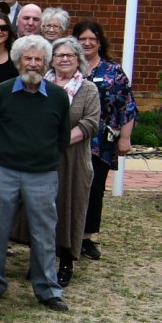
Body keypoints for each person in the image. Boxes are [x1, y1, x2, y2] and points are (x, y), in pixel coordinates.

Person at [0, 35, 71, 313]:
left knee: (44, 233)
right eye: (28, 58)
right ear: (18, 61)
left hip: (42, 174)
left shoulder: (58, 96)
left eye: (38, 59)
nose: (33, 64)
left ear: (46, 64)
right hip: (3, 171)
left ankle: (47, 289)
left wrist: (42, 158)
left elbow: (63, 137)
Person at [74, 19, 136, 263]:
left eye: (92, 39)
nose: (87, 43)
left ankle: (86, 238)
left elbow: (127, 106)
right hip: (71, 139)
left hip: (100, 142)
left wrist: (125, 138)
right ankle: (65, 235)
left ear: (100, 43)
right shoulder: (67, 67)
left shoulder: (113, 71)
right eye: (82, 39)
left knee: (94, 189)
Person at [48, 37, 102, 286]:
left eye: (70, 55)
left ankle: (66, 261)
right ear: (52, 59)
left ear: (79, 59)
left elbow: (90, 123)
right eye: (60, 55)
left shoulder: (87, 89)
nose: (65, 59)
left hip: (73, 160)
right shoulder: (42, 85)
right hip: (42, 159)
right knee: (42, 210)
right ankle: (42, 260)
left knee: (69, 208)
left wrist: (58, 141)